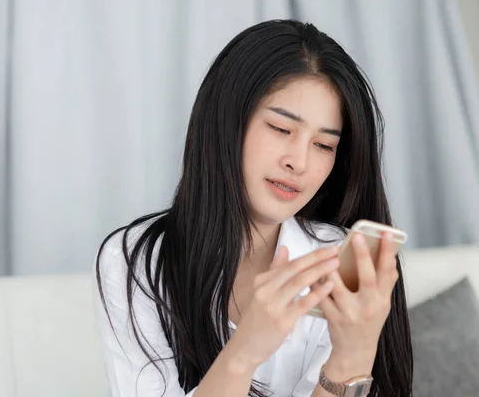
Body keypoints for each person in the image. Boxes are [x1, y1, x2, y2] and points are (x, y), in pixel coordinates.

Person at [92, 19, 413, 397]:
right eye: (281, 128)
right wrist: (243, 353)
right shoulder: (137, 261)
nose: (299, 162)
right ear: (227, 121)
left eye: (324, 146)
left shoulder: (340, 261)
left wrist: (353, 357)